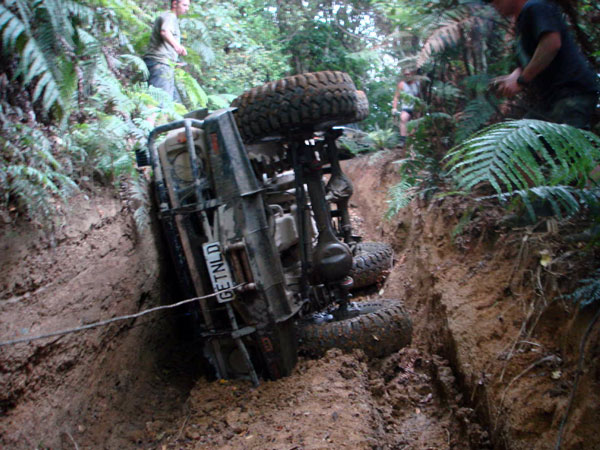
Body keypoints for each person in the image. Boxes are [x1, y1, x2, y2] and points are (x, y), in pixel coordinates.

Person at [490, 0, 598, 129]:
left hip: (571, 93)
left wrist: (522, 80)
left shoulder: (536, 7)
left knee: (564, 146)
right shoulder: (524, 20)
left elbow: (551, 43)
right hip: (551, 99)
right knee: (520, 137)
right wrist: (512, 77)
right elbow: (531, 59)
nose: (493, 5)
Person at [143, 0, 190, 102]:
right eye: (184, 5)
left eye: (188, 6)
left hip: (164, 64)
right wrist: (177, 46)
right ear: (174, 3)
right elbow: (165, 31)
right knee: (157, 103)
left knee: (172, 104)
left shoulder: (171, 18)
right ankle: (149, 118)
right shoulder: (169, 16)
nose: (187, 8)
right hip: (160, 64)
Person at [392, 70, 421, 146]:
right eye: (405, 75)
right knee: (403, 118)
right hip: (406, 106)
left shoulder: (418, 83)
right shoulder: (402, 84)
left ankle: (414, 140)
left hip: (417, 107)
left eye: (408, 74)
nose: (407, 76)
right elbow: (396, 97)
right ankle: (402, 140)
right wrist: (394, 108)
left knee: (416, 123)